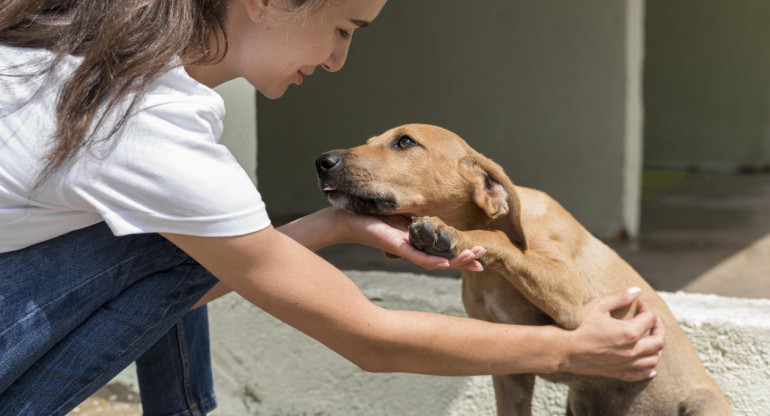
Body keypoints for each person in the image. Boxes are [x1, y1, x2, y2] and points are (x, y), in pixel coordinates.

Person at [0, 0, 665, 415]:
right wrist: (570, 350)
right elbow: (368, 339)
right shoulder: (145, 117)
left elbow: (188, 284)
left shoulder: (92, 44)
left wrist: (337, 223)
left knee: (190, 239)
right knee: (176, 239)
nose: (339, 60)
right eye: (343, 29)